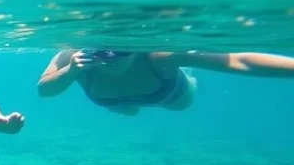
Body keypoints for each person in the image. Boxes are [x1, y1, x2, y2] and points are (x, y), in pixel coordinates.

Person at [37, 49, 294, 114]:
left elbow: (239, 61)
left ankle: (189, 74)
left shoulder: (157, 55)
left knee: (180, 105)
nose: (110, 57)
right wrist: (71, 71)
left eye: (121, 49)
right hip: (111, 101)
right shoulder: (74, 59)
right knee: (128, 112)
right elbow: (44, 91)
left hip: (169, 94)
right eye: (100, 50)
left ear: (136, 48)